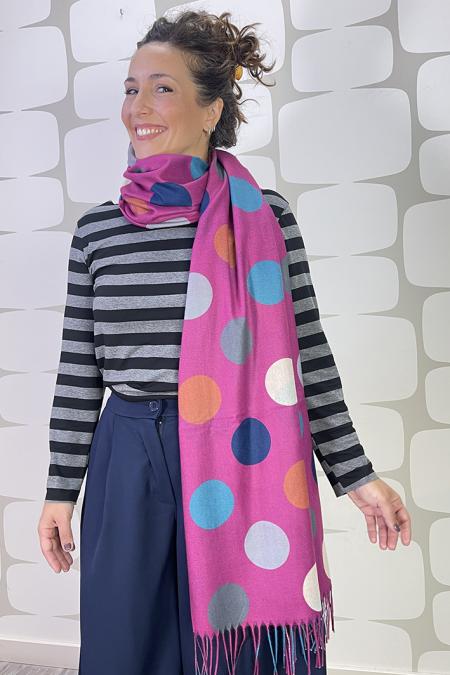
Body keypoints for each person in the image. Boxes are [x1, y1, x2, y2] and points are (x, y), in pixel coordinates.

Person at [37, 10, 412, 675]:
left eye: (162, 88)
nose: (138, 107)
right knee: (125, 641)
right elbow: (78, 371)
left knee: (242, 648)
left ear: (211, 110)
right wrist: (60, 490)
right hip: (129, 451)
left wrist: (356, 475)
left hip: (242, 444)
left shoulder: (265, 218)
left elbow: (307, 359)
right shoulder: (99, 232)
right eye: (131, 88)